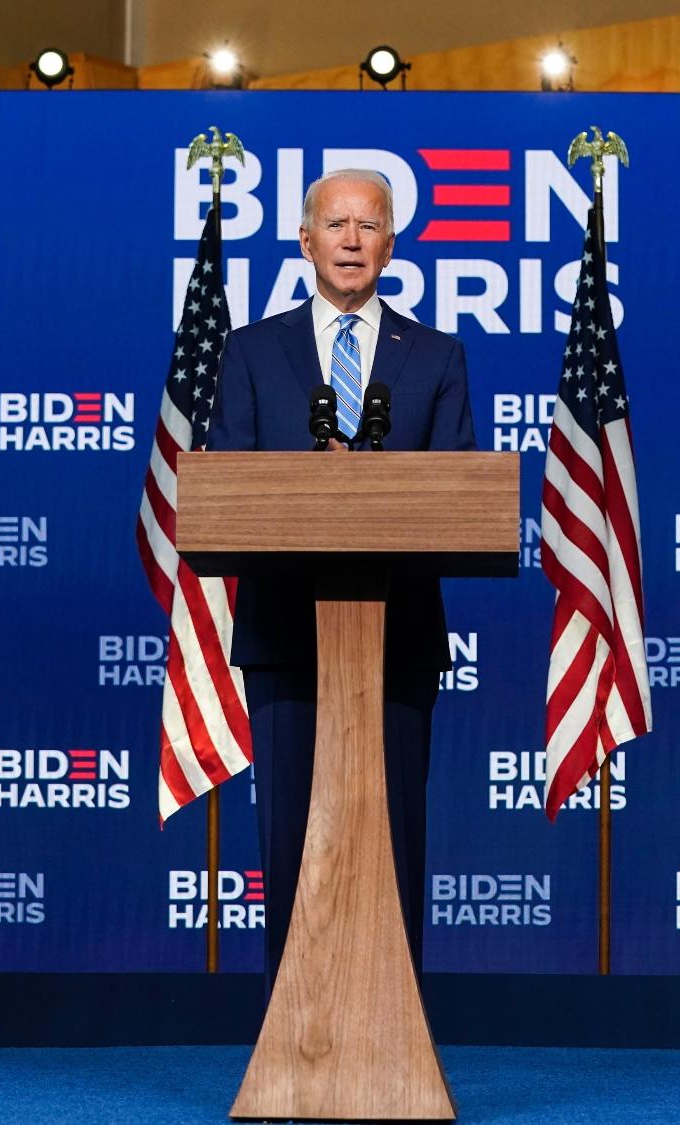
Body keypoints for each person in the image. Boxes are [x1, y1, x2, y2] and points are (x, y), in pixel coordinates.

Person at [205, 168, 476, 992]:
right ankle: (293, 1043)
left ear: (393, 243)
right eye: (335, 224)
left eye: (369, 225)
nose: (351, 239)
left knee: (392, 844)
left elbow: (462, 495)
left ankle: (393, 1041)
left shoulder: (435, 356)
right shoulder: (252, 350)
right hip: (286, 640)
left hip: (396, 642)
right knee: (291, 843)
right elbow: (226, 492)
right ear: (305, 240)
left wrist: (372, 496)